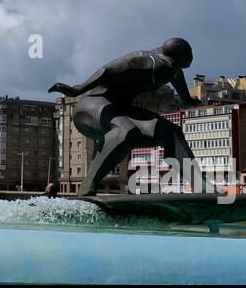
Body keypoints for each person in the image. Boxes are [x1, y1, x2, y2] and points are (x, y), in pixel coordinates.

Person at [48, 37, 208, 196]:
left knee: (171, 132)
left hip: (119, 109)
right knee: (124, 130)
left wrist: (195, 102)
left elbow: (185, 99)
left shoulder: (173, 69)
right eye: (190, 53)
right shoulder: (145, 60)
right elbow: (107, 70)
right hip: (91, 106)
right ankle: (87, 187)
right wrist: (78, 90)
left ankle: (201, 186)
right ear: (179, 56)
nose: (192, 57)